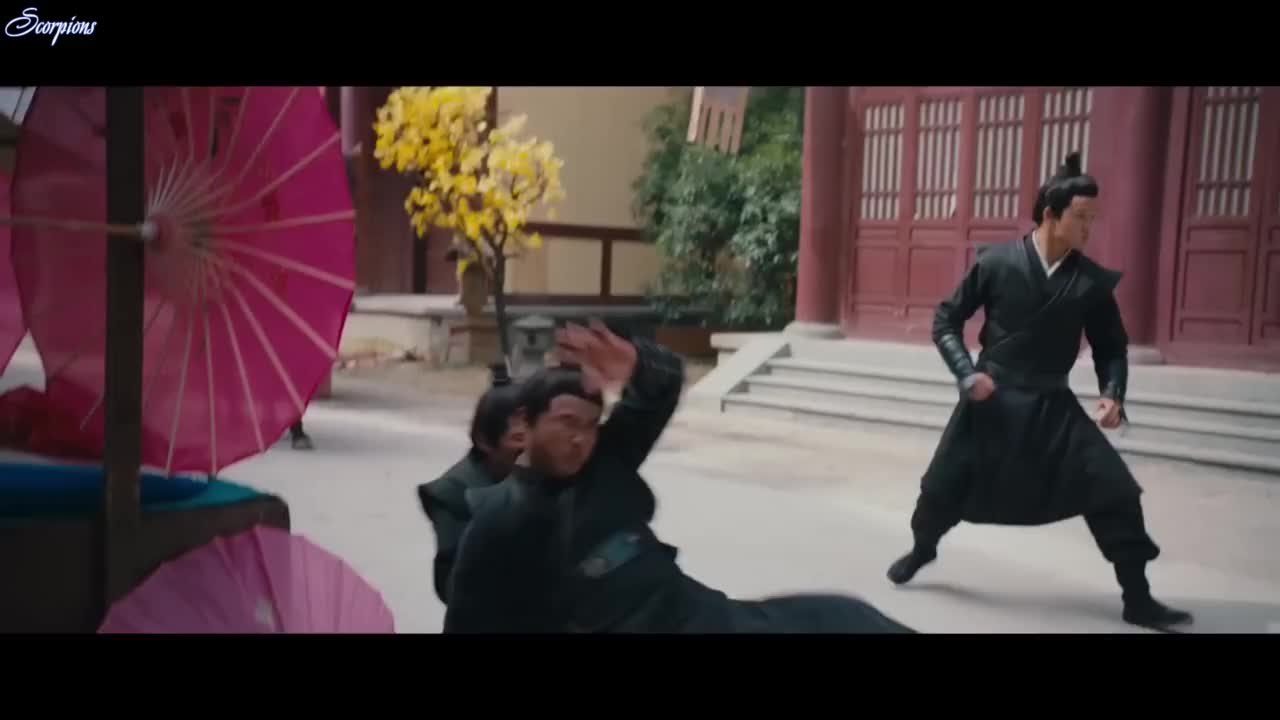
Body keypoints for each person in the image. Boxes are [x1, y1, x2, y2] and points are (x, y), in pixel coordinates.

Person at [885, 152, 1191, 631]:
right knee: (940, 492)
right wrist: (966, 374)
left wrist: (1113, 392)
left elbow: (1111, 346)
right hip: (991, 400)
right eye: (1081, 218)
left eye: (1093, 219)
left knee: (1115, 491)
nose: (1089, 228)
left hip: (1053, 405)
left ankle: (1138, 598)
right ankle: (922, 549)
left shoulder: (1089, 282)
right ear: (1051, 214)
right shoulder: (996, 262)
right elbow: (946, 321)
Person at [443, 321, 913, 633]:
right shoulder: (497, 522)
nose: (580, 439)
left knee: (845, 619)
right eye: (566, 422)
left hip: (710, 618)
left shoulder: (605, 463)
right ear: (524, 425)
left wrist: (636, 365)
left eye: (590, 425)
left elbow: (658, 389)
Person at [417, 363, 525, 604]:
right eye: (518, 438)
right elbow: (452, 584)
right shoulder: (454, 493)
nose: (530, 449)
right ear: (485, 441)